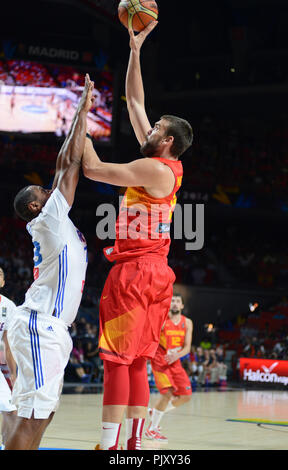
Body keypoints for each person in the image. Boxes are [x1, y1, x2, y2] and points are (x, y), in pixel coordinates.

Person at [82, 22, 193, 451]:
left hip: (135, 273)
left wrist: (83, 119)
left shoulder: (152, 169)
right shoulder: (166, 166)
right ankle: (129, 448)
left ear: (165, 140)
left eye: (154, 128)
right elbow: (135, 102)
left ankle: (109, 447)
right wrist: (135, 50)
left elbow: (93, 169)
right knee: (136, 366)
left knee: (115, 364)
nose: (145, 128)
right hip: (156, 274)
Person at [4, 74, 94, 450]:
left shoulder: (54, 223)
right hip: (42, 325)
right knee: (34, 415)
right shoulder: (49, 218)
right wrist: (81, 110)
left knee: (42, 413)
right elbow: (68, 163)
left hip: (48, 327)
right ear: (35, 205)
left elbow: (65, 167)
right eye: (45, 190)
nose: (51, 188)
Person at [145, 294, 193, 442]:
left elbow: (187, 348)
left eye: (178, 301)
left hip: (175, 360)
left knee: (186, 396)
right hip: (160, 360)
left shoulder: (188, 322)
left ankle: (156, 411)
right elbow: (151, 338)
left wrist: (176, 355)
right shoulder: (162, 320)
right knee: (168, 393)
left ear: (182, 306)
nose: (175, 304)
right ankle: (151, 430)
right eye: (172, 301)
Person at [0, 268, 17, 449]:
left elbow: (7, 343)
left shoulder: (8, 306)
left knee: (11, 410)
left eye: (0, 274)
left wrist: (13, 373)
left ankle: (6, 446)